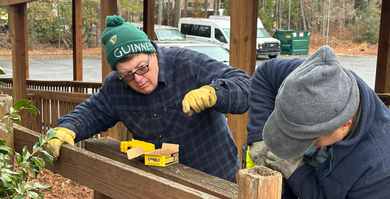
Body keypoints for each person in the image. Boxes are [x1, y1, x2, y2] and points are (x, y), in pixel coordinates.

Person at [45, 15, 251, 182]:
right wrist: (67, 127)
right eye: (127, 75)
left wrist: (214, 93)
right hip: (160, 183)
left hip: (215, 181)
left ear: (153, 54)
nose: (138, 79)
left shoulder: (188, 65)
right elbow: (92, 112)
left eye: (142, 68)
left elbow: (245, 85)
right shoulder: (116, 86)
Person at [246, 45, 390, 199]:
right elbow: (265, 74)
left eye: (307, 137)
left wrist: (298, 173)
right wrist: (259, 136)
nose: (290, 143)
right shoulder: (310, 81)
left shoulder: (387, 173)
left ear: (344, 124)